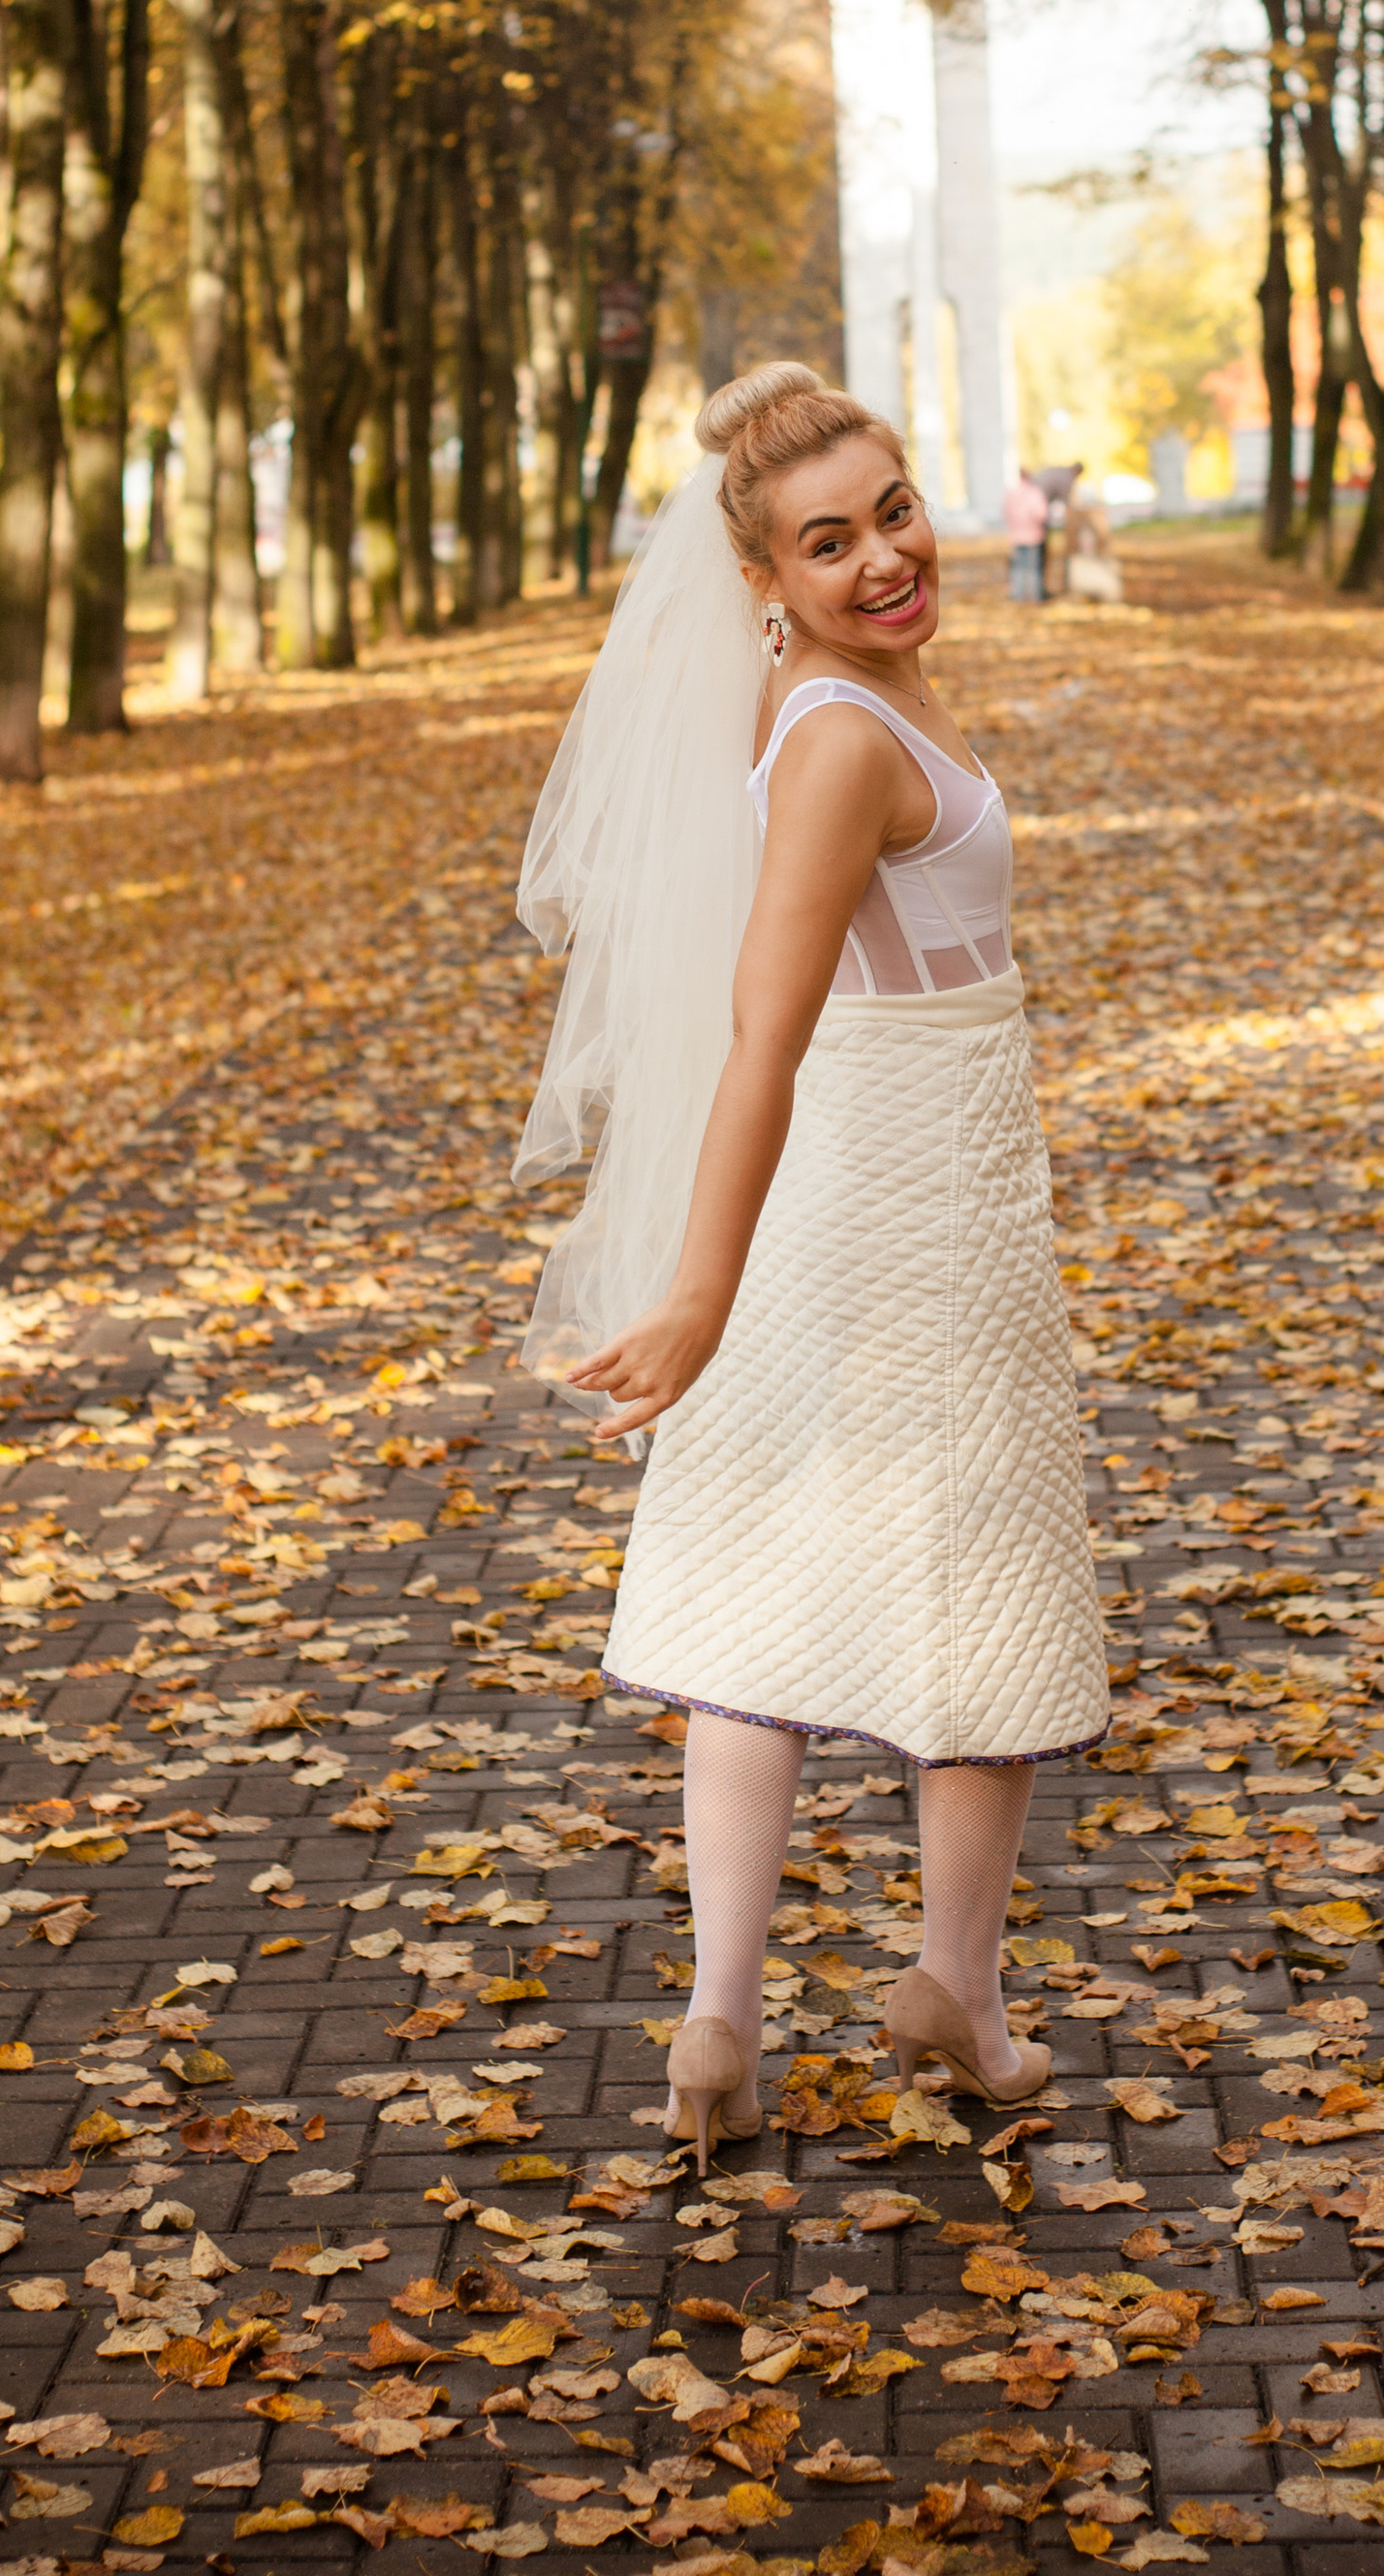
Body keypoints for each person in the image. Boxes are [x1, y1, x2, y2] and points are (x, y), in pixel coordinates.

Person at [513, 361, 1107, 2168]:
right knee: (981, 1572)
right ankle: (957, 1993)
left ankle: (721, 2025)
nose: (883, 559)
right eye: (827, 542)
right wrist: (697, 1287)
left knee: (756, 1592)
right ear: (766, 578)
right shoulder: (844, 731)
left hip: (876, 1166)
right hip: (900, 1187)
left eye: (895, 511)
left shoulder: (833, 696)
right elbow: (763, 1033)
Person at [1003, 465, 1049, 604]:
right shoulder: (1034, 493)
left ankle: (1018, 595)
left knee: (1018, 567)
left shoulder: (1012, 493)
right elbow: (1041, 513)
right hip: (1033, 535)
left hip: (1016, 535)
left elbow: (1006, 511)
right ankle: (1034, 595)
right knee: (1033, 567)